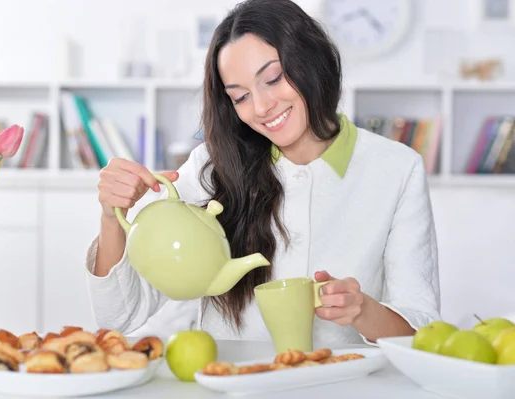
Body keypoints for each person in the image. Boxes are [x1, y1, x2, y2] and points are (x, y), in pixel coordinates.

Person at [84, 0, 441, 347]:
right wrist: (111, 217)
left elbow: (422, 331)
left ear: (311, 61)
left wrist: (362, 310)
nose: (261, 107)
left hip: (342, 385)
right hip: (233, 383)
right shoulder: (213, 166)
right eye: (240, 97)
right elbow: (120, 315)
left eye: (273, 78)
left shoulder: (396, 169)